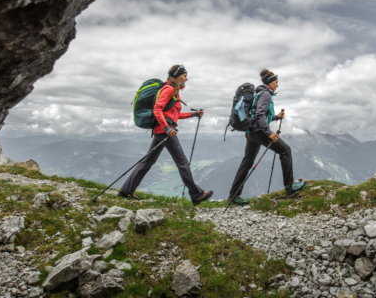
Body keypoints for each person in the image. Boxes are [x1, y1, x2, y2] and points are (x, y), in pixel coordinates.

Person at [119, 65, 213, 205]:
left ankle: (126, 190)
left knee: (148, 161)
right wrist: (167, 128)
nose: (187, 78)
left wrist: (192, 114)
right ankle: (196, 194)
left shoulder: (174, 90)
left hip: (162, 130)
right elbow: (157, 109)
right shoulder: (169, 89)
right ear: (176, 76)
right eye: (184, 75)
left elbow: (173, 115)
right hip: (165, 132)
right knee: (182, 162)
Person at [228, 69, 306, 205]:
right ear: (270, 84)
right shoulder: (266, 95)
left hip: (251, 132)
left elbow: (261, 114)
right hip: (259, 132)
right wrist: (268, 132)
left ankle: (233, 195)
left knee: (247, 162)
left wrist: (276, 117)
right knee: (285, 150)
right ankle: (290, 187)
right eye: (276, 82)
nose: (277, 85)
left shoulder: (259, 93)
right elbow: (259, 114)